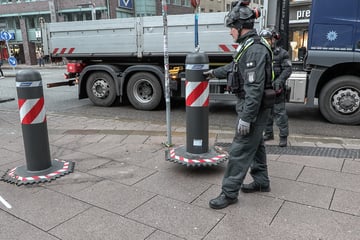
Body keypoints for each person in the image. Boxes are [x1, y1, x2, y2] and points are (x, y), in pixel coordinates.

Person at [203, 0, 274, 209]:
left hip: (253, 108)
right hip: (253, 106)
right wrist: (213, 73)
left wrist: (246, 117)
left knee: (240, 150)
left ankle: (229, 193)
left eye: (231, 28)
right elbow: (234, 67)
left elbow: (255, 89)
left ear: (241, 27)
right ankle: (261, 182)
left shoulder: (255, 50)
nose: (230, 33)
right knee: (256, 145)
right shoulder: (249, 46)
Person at [260, 29, 292, 147]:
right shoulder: (262, 53)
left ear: (274, 39)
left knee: (280, 113)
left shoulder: (282, 53)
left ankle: (283, 136)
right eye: (266, 40)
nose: (268, 42)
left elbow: (287, 69)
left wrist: (279, 81)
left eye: (270, 39)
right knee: (267, 113)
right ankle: (268, 134)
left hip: (277, 89)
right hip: (265, 89)